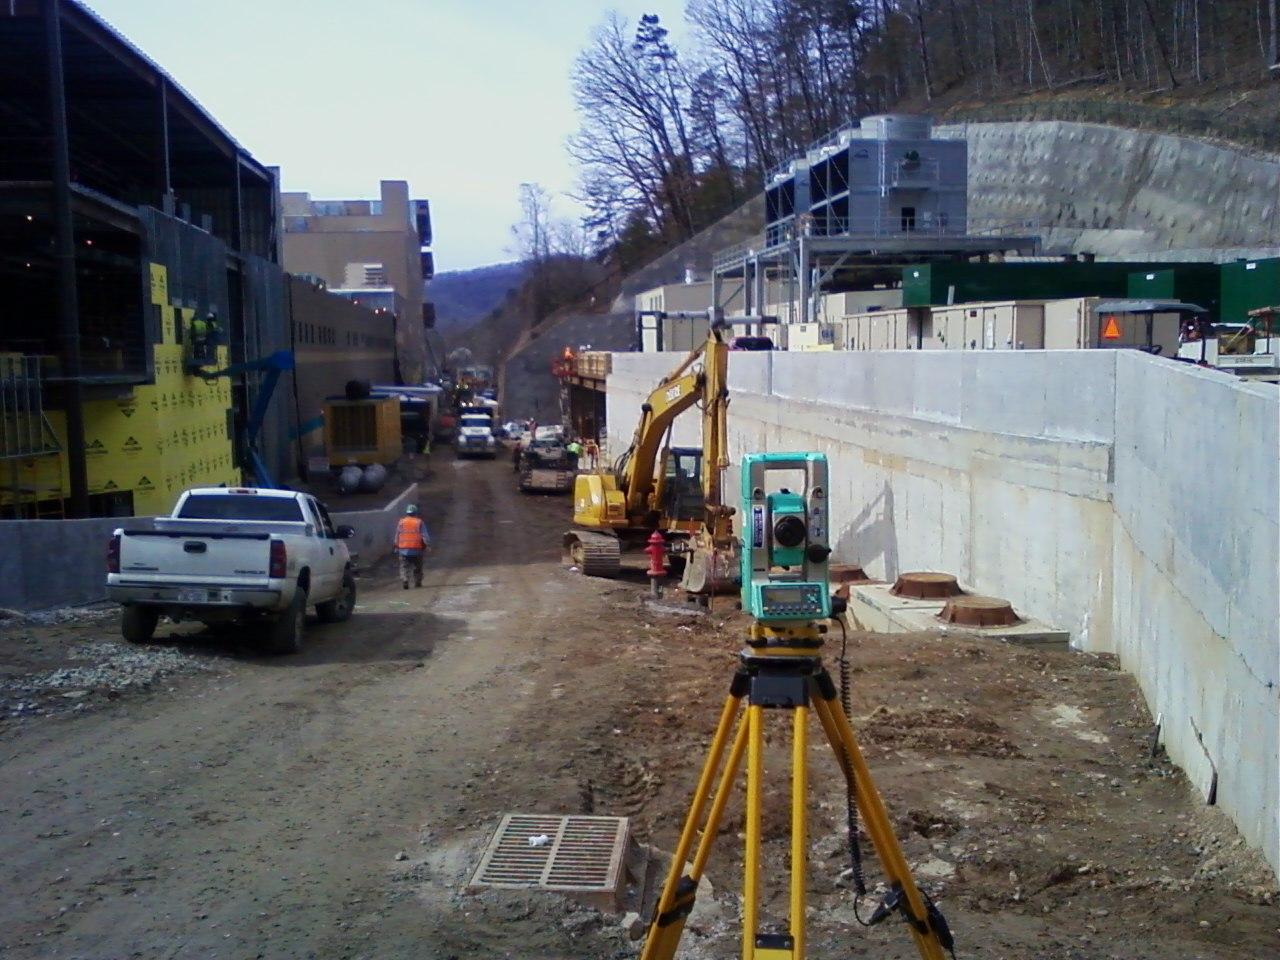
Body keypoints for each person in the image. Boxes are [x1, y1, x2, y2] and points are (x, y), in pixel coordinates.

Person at [395, 503, 431, 589]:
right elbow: (425, 536)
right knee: (417, 566)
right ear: (415, 513)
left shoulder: (401, 522)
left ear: (407, 513)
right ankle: (417, 582)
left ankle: (405, 580)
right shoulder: (419, 522)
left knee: (404, 566)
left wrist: (396, 546)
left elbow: (397, 535)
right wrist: (428, 545)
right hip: (416, 549)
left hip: (403, 549)